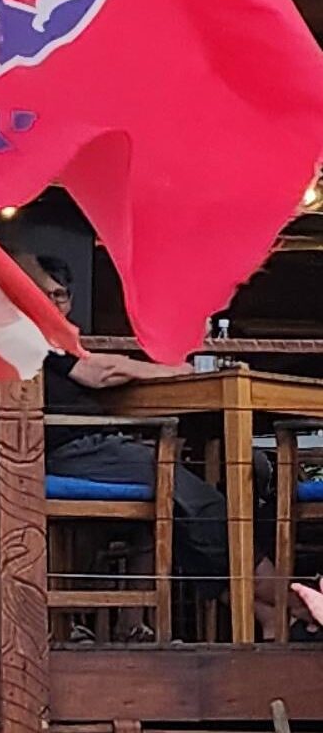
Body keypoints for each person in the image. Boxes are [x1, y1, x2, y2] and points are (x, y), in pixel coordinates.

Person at [28, 254, 303, 641]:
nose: (52, 303)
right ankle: (298, 601)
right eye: (42, 295)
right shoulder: (30, 333)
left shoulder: (46, 338)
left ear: (71, 301)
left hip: (82, 446)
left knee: (184, 516)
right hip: (69, 449)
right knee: (205, 504)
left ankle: (268, 617)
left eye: (59, 295)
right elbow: (101, 372)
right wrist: (174, 372)